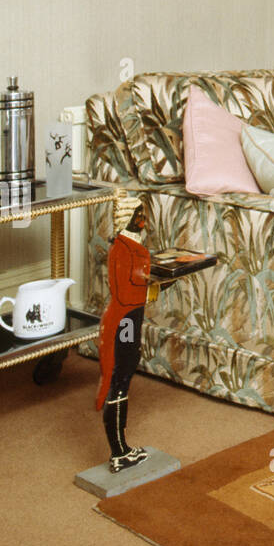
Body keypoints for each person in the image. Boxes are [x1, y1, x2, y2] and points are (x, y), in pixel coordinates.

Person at [96, 192, 159, 473]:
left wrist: (160, 282)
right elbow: (124, 294)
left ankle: (122, 448)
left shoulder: (132, 244)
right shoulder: (121, 248)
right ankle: (118, 452)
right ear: (129, 219)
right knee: (119, 379)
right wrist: (154, 286)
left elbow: (140, 287)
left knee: (126, 371)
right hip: (123, 321)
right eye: (139, 216)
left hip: (132, 317)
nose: (143, 221)